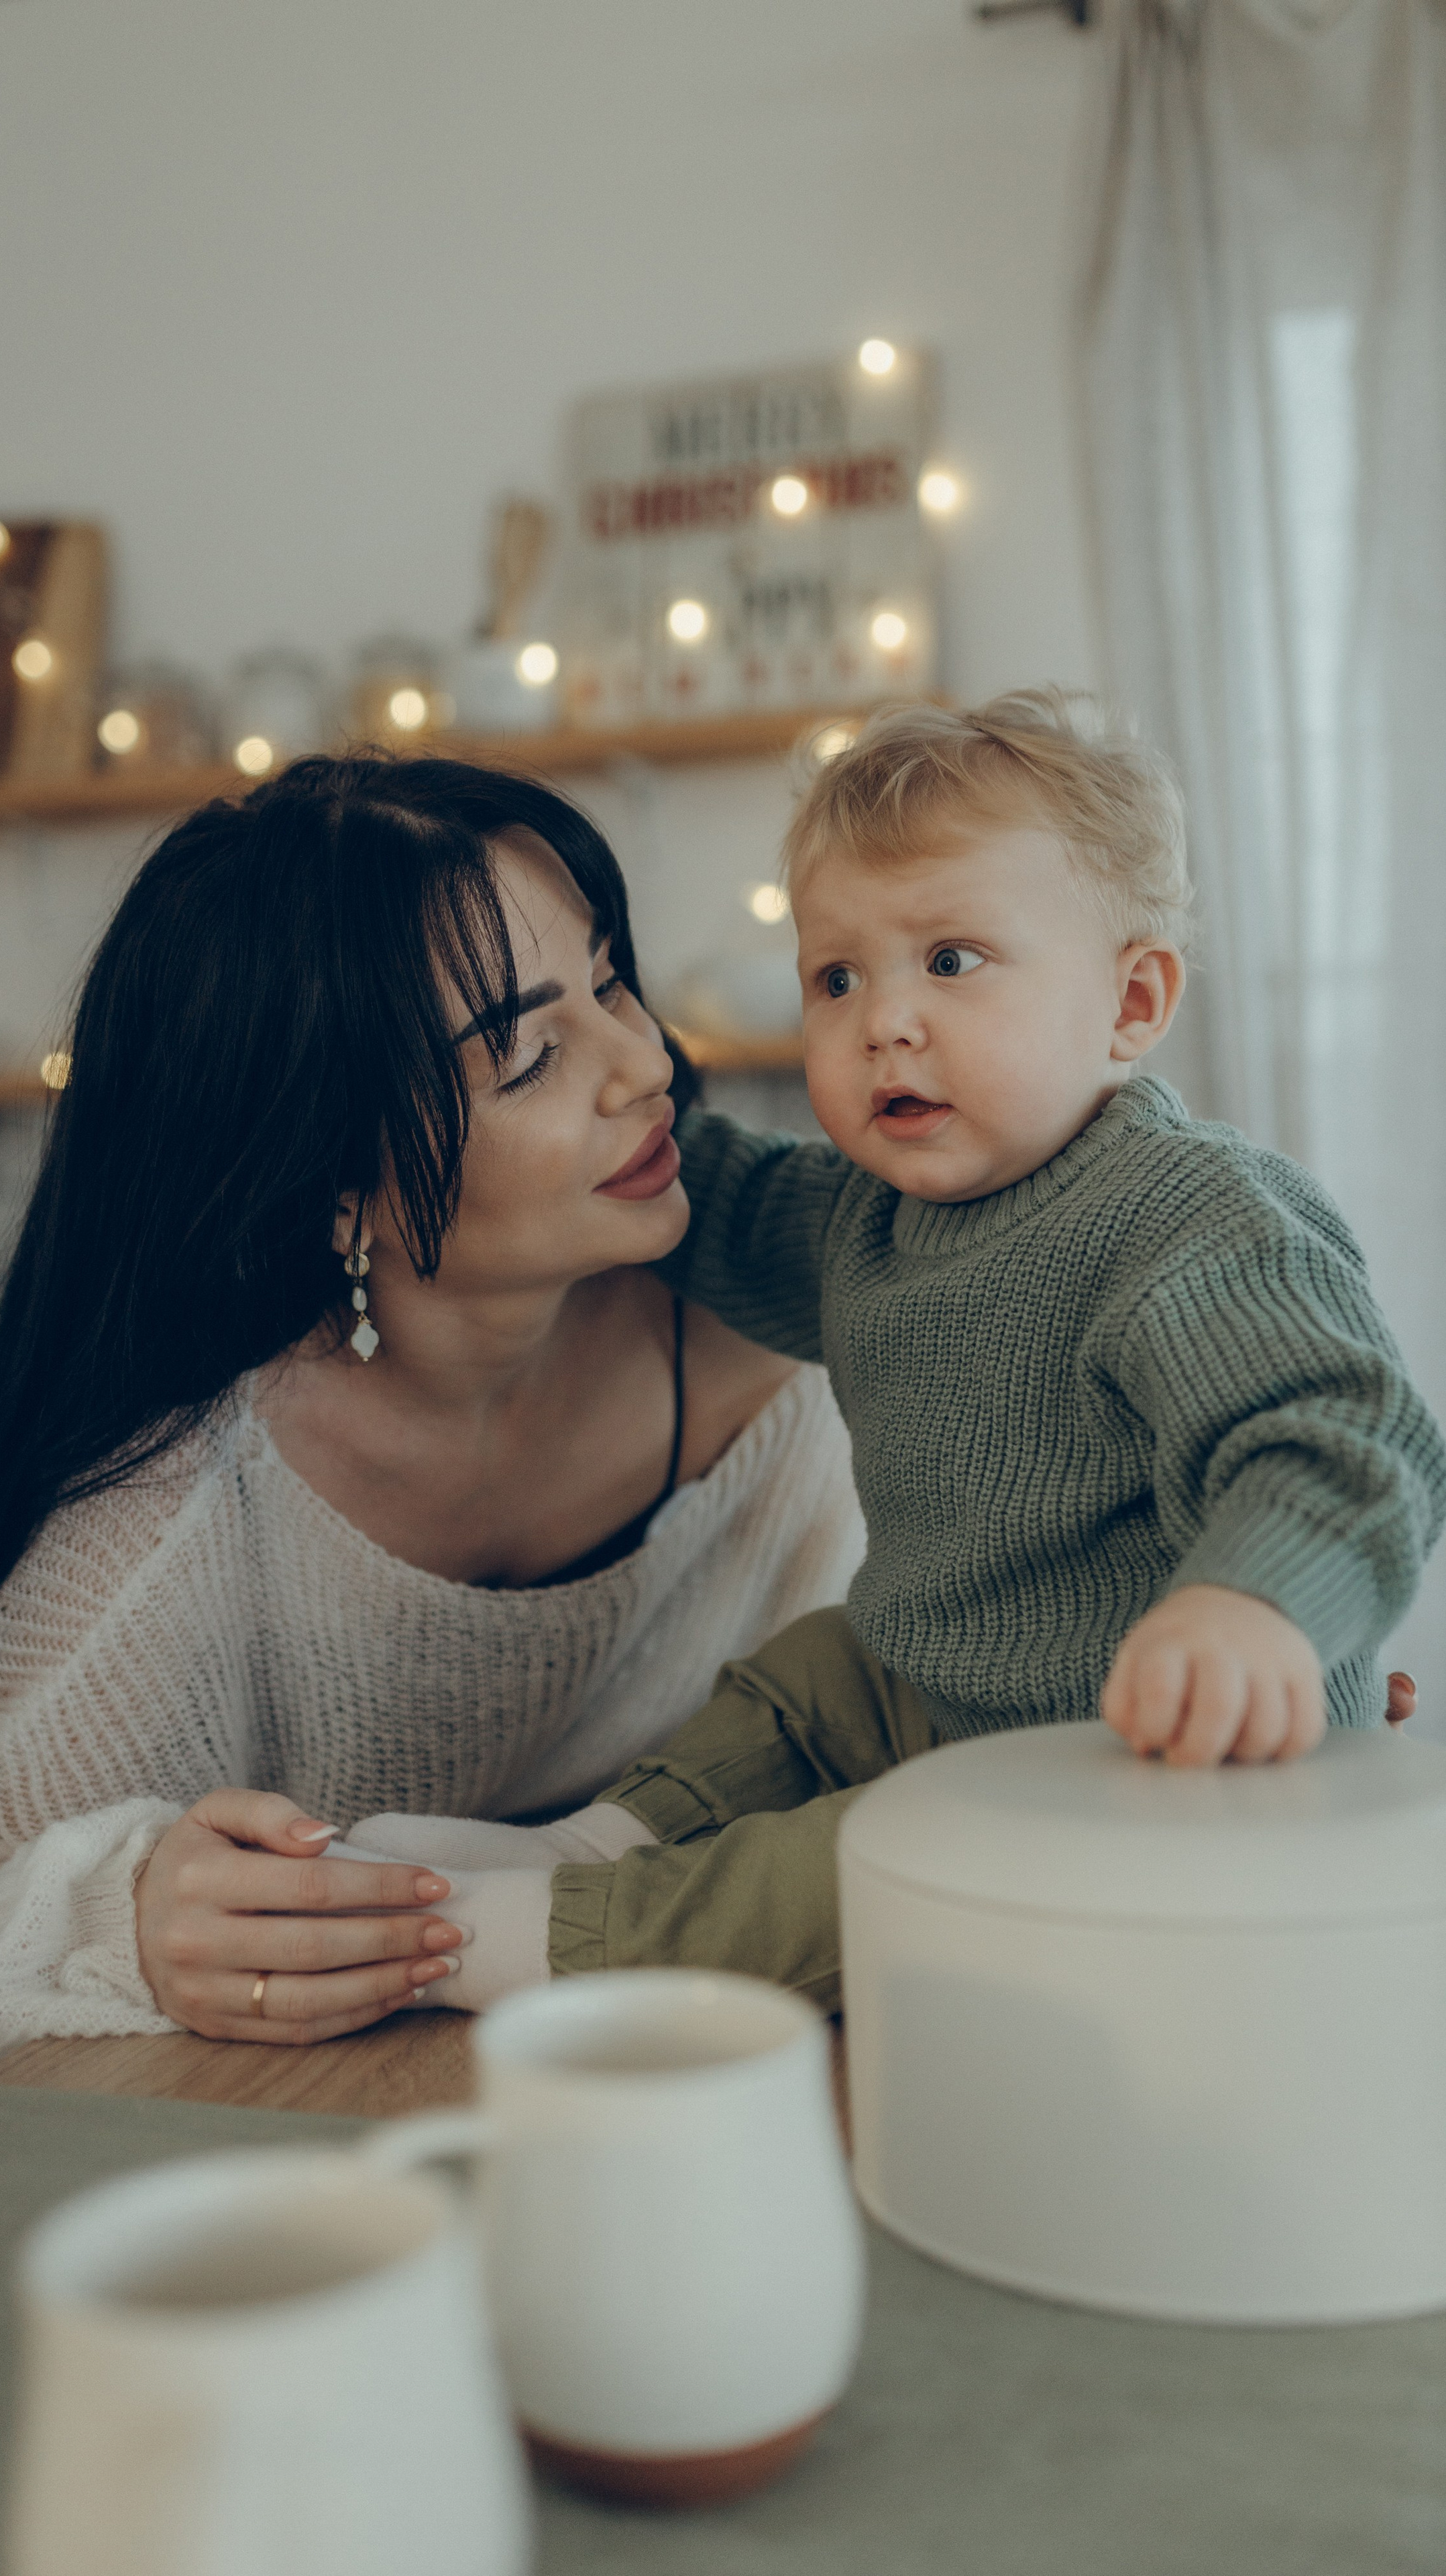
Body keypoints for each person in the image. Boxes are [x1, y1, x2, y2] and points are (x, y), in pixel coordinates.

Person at [345, 691, 1445, 2014]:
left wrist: (1252, 1607)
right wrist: (504, 1113)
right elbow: (716, 1196)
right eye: (835, 977)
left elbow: (1343, 1440)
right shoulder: (867, 1216)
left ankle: (545, 1939)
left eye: (950, 961)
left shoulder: (1187, 1218)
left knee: (866, 1865)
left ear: (1129, 999)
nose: (884, 1022)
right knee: (814, 1672)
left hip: (1163, 1772)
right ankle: (590, 1840)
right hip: (955, 1683)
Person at [0, 755, 862, 2072]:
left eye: (609, 978)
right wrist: (129, 1921)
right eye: (526, 1056)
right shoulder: (188, 1504)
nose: (644, 1067)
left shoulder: (786, 1381)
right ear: (330, 1181)